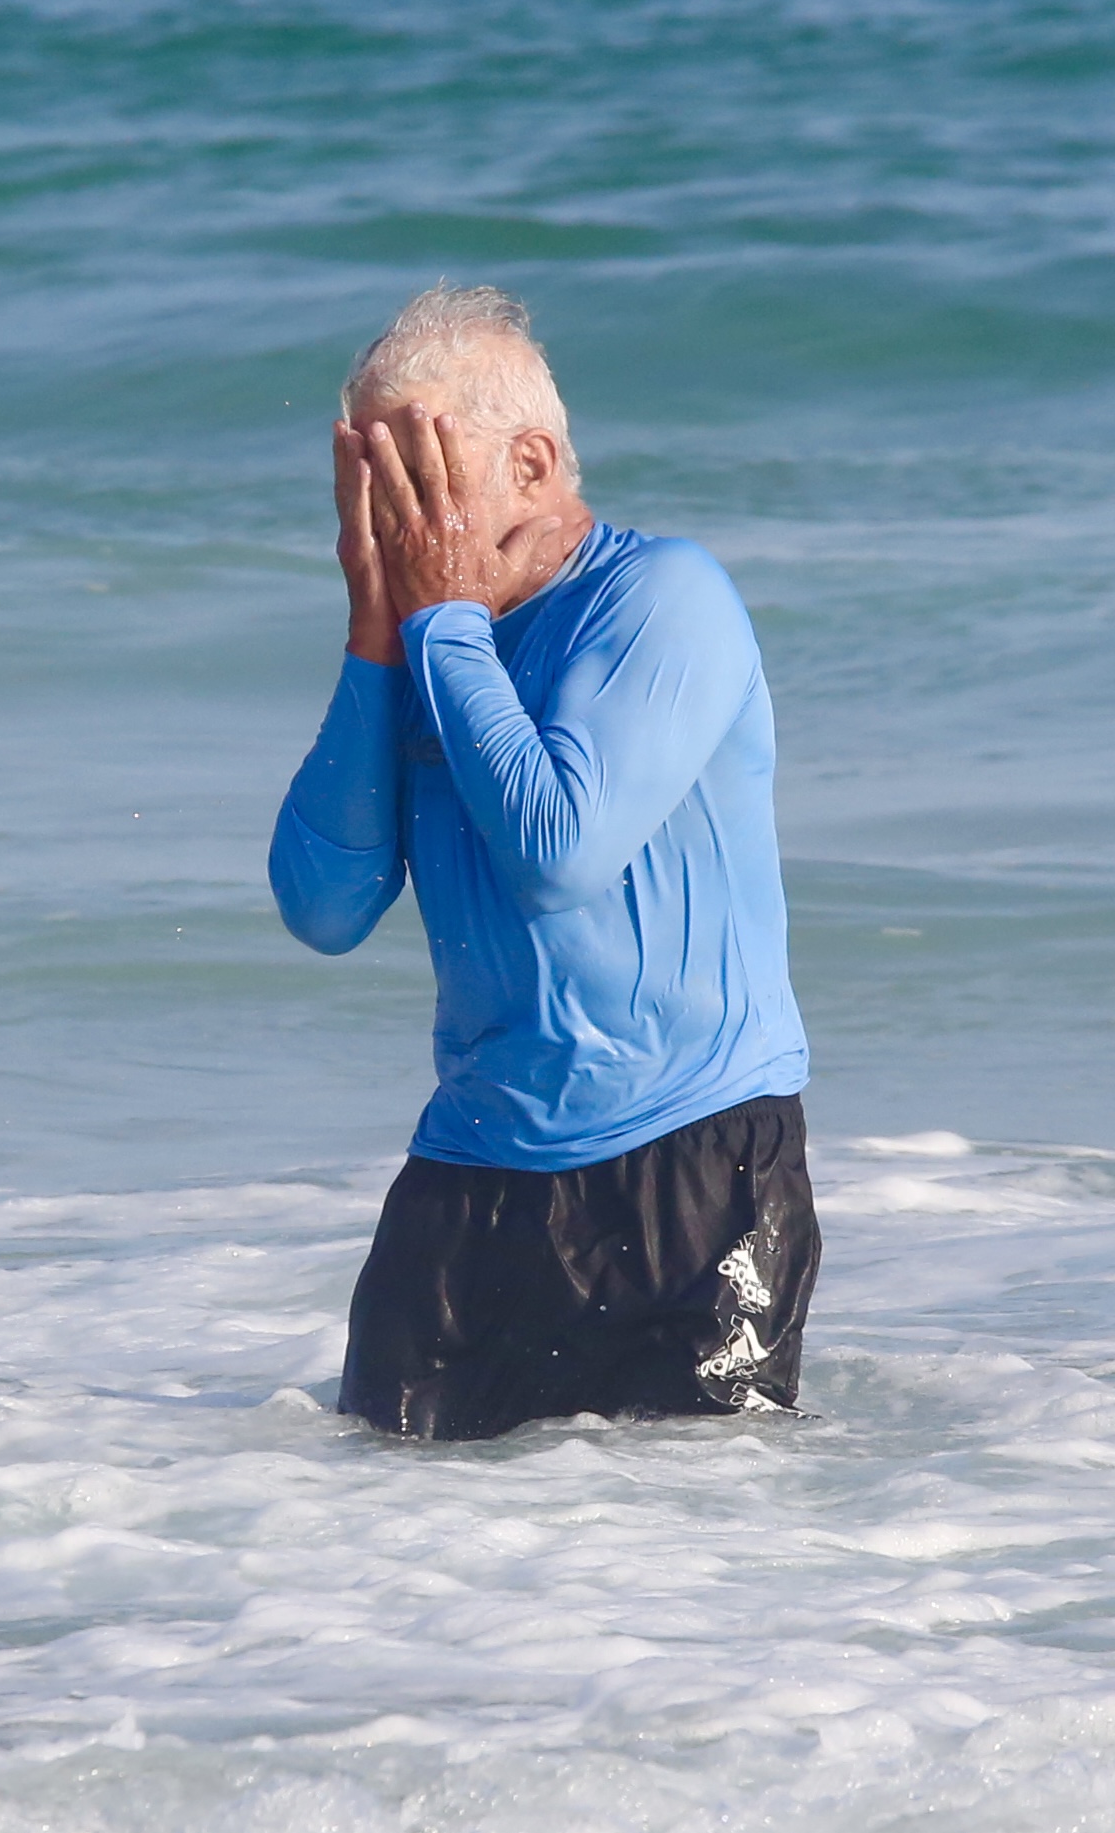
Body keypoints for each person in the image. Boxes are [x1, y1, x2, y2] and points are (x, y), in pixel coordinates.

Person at [269, 285, 820, 1441]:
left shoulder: (666, 597)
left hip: (693, 1168)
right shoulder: (430, 634)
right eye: (373, 481)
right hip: (471, 1176)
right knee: (387, 1528)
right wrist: (379, 636)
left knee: (684, 1559)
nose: (393, 518)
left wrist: (440, 629)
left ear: (530, 463)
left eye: (419, 477)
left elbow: (555, 848)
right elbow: (321, 906)